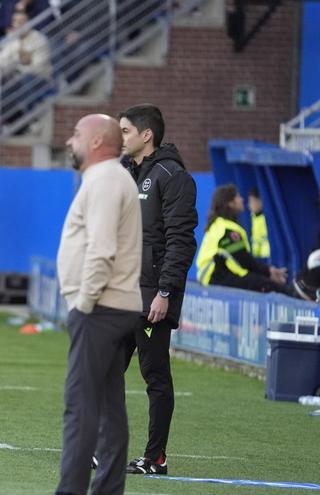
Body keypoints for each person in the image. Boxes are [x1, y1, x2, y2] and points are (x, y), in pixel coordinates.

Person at [56, 114, 142, 495]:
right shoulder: (108, 178)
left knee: (81, 405)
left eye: (76, 135)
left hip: (100, 309)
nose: (68, 142)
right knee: (109, 406)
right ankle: (108, 489)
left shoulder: (106, 179)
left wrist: (83, 304)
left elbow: (102, 250)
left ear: (95, 143)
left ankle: (71, 489)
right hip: (111, 307)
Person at [117, 104, 197, 476]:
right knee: (103, 372)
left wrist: (165, 292)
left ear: (146, 135)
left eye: (126, 131)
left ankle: (155, 457)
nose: (121, 138)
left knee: (155, 376)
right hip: (120, 293)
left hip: (152, 297)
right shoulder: (123, 172)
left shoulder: (172, 175)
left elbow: (181, 240)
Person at [196, 184, 291, 294]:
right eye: (238, 197)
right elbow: (244, 261)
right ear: (230, 203)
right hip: (215, 277)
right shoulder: (228, 230)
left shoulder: (219, 224)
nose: (242, 199)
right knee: (269, 285)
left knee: (259, 280)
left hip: (211, 276)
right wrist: (269, 272)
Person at [248, 187, 271, 262]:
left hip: (269, 257)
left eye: (252, 202)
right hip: (260, 259)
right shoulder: (254, 219)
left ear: (260, 201)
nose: (250, 205)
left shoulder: (267, 218)